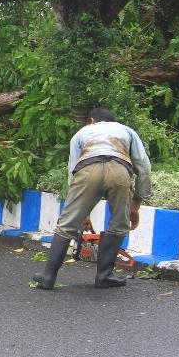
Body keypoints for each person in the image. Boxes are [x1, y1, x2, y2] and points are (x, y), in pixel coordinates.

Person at [34, 106, 152, 290]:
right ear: (113, 121)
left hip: (88, 169)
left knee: (67, 224)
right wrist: (136, 203)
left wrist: (82, 213)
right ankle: (104, 276)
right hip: (120, 170)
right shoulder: (127, 131)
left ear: (92, 121)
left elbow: (73, 169)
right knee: (119, 224)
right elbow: (143, 166)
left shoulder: (83, 132)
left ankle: (48, 276)